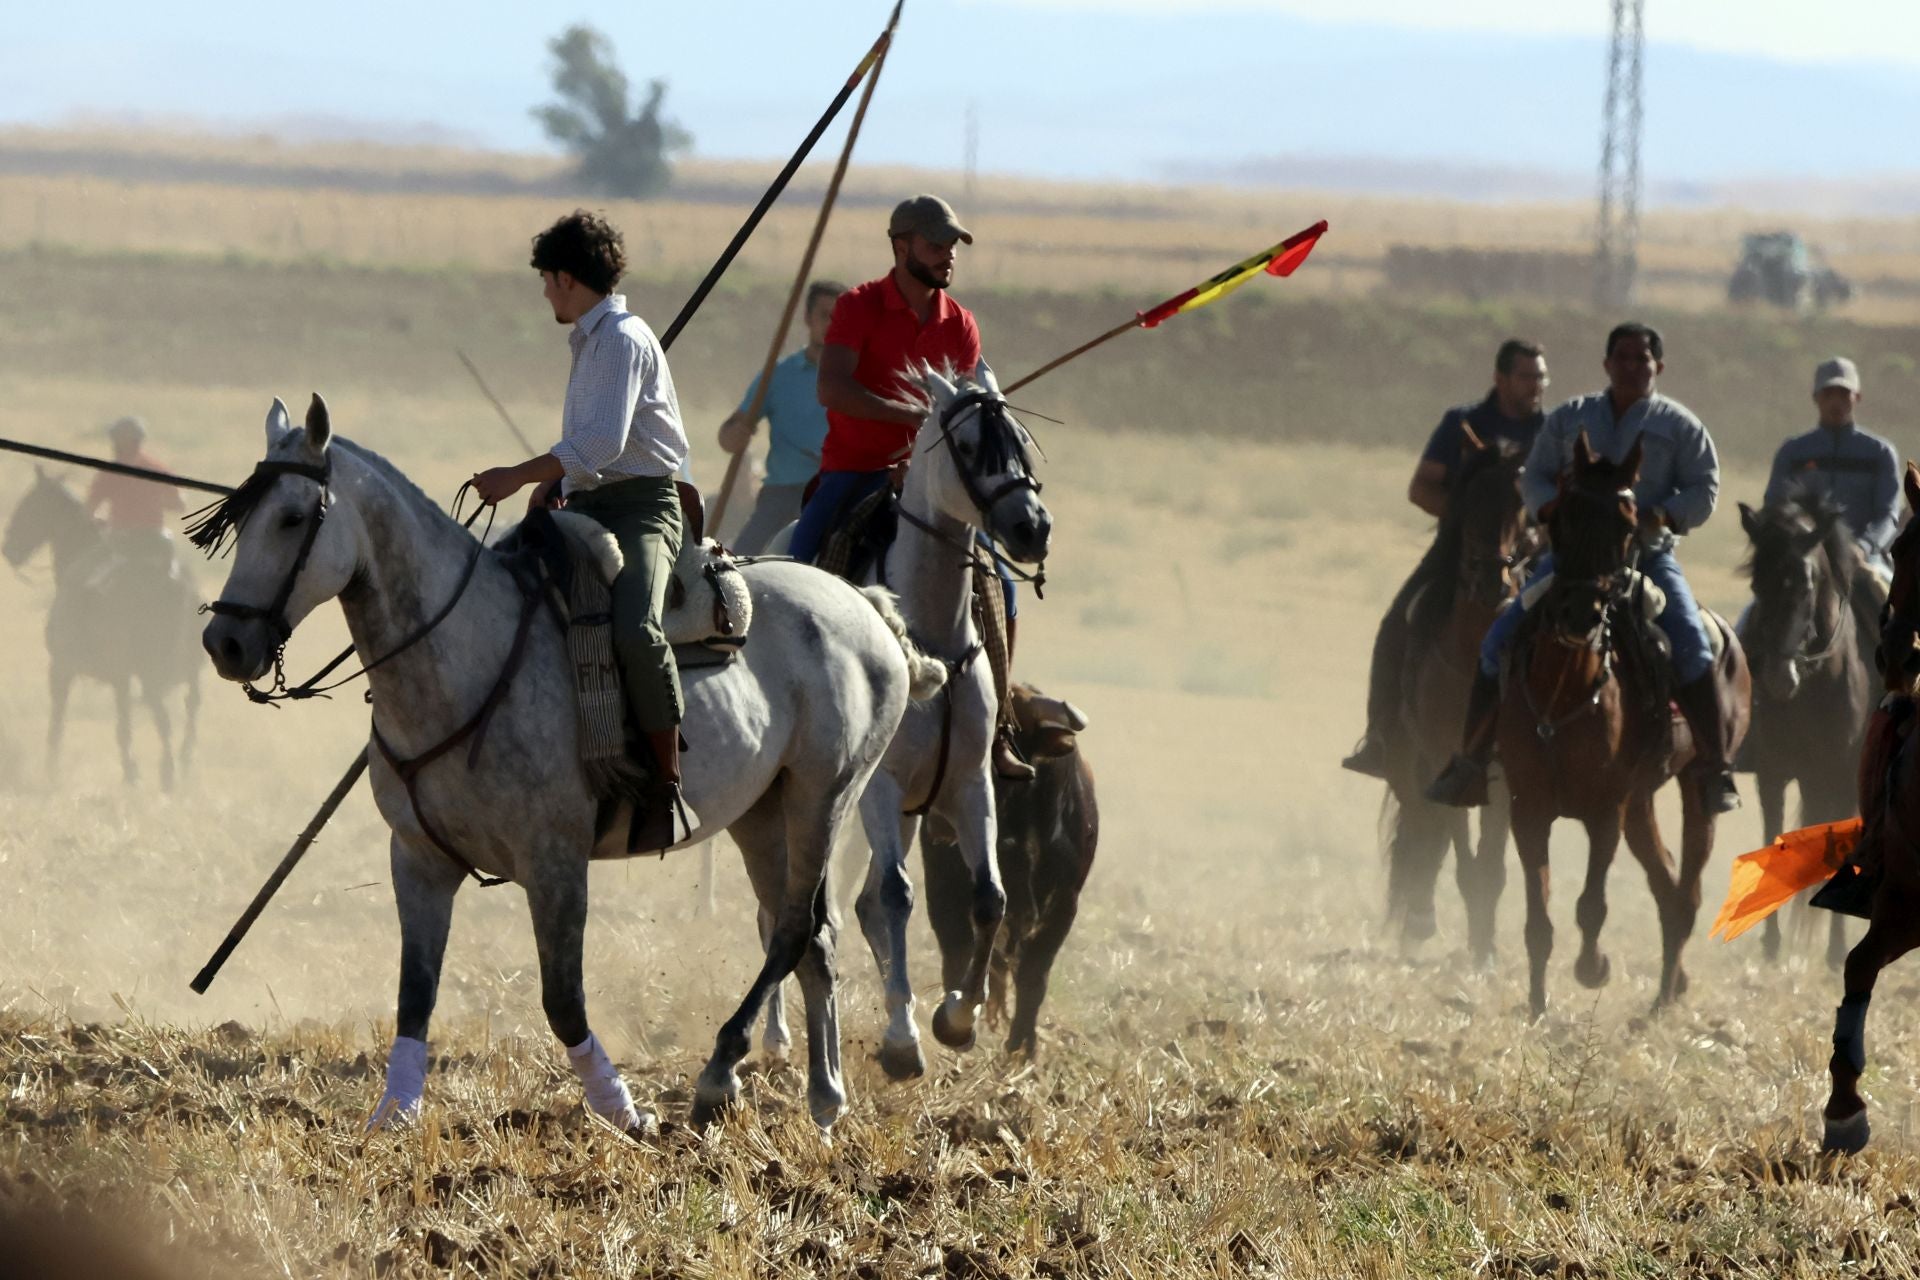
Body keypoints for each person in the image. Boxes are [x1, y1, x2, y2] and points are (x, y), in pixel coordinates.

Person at [1427, 322, 1741, 815]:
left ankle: (1715, 769)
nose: (1631, 367)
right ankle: (1471, 762)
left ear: (1659, 366)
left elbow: (1705, 489)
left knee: (1692, 645)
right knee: (1497, 640)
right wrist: (1549, 509)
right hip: (1570, 559)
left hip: (1648, 557)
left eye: (1642, 359)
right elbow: (1534, 477)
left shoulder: (1681, 426)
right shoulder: (1570, 417)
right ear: (1606, 364)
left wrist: (1662, 514)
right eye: (1622, 358)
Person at [470, 209, 695, 840]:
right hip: (589, 502)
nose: (545, 292)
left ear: (567, 278)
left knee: (635, 629)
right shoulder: (591, 339)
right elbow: (588, 453)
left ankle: (666, 782)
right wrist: (556, 484)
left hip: (643, 507)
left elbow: (600, 443)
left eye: (547, 280)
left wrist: (519, 475)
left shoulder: (620, 339)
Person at [798, 194, 1033, 779]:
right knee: (796, 570)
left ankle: (998, 726)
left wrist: (977, 419)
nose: (947, 254)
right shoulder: (857, 307)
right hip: (854, 471)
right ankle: (796, 722)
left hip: (934, 484)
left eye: (952, 245)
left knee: (1004, 589)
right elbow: (832, 389)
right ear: (901, 246)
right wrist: (914, 418)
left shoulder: (961, 324)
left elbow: (969, 413)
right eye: (935, 244)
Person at [1341, 340, 1549, 779]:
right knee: (1398, 621)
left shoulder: (1551, 432)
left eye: (1540, 377)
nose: (1536, 385)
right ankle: (1381, 736)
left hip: (1529, 557)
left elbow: (1564, 501)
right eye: (1526, 376)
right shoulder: (1463, 423)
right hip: (1458, 553)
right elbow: (1421, 489)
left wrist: (1534, 535)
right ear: (1500, 379)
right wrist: (1469, 520)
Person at [1764, 357, 1899, 619]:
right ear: (1816, 397)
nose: (1836, 402)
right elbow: (1774, 506)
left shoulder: (1880, 453)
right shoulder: (1793, 452)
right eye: (1828, 394)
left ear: (1857, 397)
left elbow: (1888, 514)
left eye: (1844, 394)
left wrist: (1864, 547)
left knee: (1898, 618)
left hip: (1864, 561)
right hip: (1802, 559)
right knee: (1755, 615)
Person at [716, 279, 844, 553]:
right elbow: (728, 436)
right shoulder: (778, 375)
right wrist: (734, 434)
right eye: (824, 315)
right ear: (808, 318)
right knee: (741, 557)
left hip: (836, 490)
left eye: (839, 317)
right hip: (782, 495)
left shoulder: (857, 376)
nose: (832, 323)